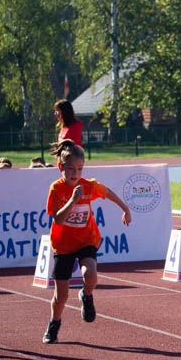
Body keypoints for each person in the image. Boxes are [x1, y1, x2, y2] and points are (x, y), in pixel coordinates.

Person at [43, 139, 133, 343]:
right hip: (63, 244)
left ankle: (86, 294)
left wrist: (125, 209)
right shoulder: (56, 189)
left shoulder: (88, 186)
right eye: (71, 169)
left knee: (90, 274)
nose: (75, 173)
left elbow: (107, 192)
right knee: (61, 296)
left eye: (79, 169)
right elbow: (57, 218)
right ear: (60, 167)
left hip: (86, 240)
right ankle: (54, 323)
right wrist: (73, 200)